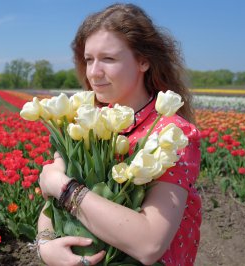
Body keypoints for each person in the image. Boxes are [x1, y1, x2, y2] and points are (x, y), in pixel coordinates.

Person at [36, 3, 201, 266]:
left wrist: (65, 189)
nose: (93, 72)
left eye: (108, 59)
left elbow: (149, 243)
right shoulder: (87, 121)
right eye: (89, 59)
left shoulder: (172, 134)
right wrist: (44, 244)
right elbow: (49, 199)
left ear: (143, 61)